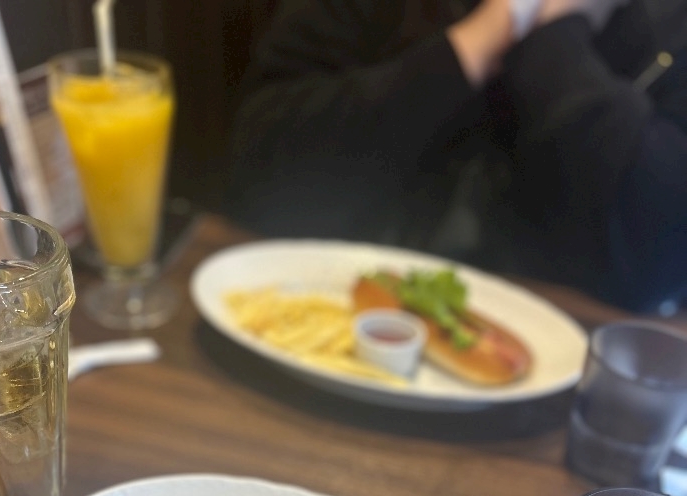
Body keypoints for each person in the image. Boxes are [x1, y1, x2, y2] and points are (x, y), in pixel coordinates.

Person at [225, 0, 687, 312]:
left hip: (550, 382)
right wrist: (480, 40)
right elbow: (264, 172)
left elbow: (655, 262)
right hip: (314, 304)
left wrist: (557, 42)